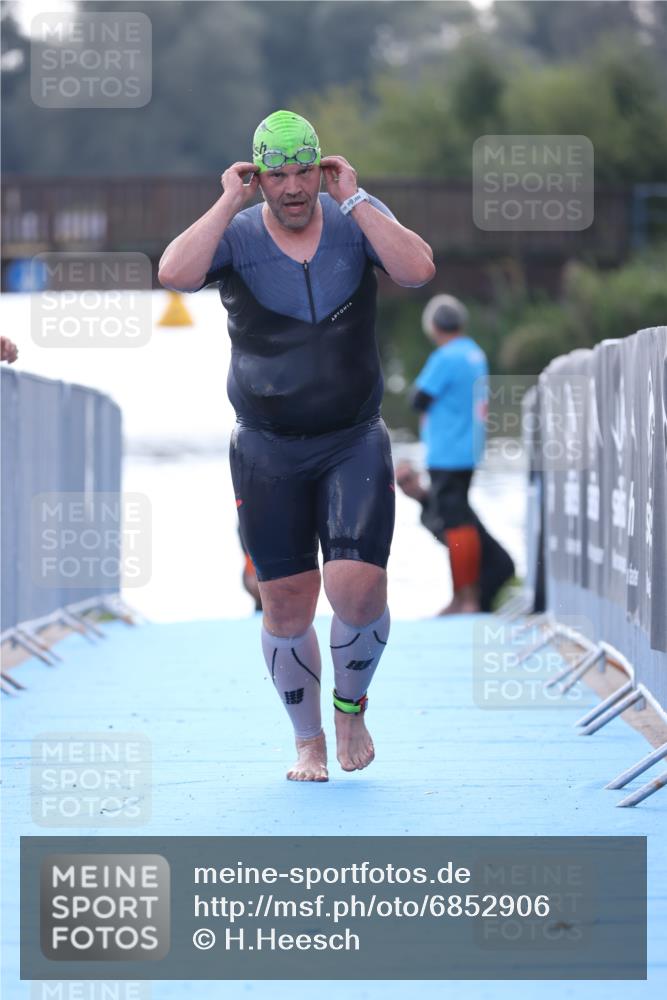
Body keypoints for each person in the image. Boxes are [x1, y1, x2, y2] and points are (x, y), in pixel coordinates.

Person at [158, 110, 435, 781]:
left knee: (358, 587)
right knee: (286, 603)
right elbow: (174, 272)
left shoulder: (353, 219)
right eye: (275, 174)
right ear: (259, 178)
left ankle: (350, 707)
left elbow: (418, 269)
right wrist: (227, 199)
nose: (290, 186)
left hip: (350, 439)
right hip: (266, 447)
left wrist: (358, 197)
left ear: (321, 168)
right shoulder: (237, 233)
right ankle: (307, 741)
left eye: (302, 170)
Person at [400, 295, 514, 614]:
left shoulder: (446, 357)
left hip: (447, 451)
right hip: (468, 448)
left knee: (456, 524)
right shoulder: (474, 353)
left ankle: (464, 596)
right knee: (460, 518)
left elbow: (418, 399)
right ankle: (468, 595)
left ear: (434, 327)